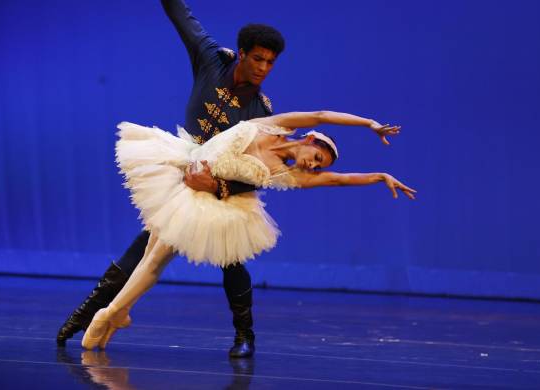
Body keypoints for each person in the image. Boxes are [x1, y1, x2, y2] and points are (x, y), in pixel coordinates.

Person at [58, 0, 288, 358]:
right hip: (182, 168)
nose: (263, 68)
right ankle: (86, 315)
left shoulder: (261, 111)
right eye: (258, 58)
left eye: (270, 62)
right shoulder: (211, 59)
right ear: (242, 53)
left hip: (219, 184)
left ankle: (245, 336)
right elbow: (181, 14)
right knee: (145, 244)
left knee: (231, 257)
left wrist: (219, 186)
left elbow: (259, 173)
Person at [81, 109, 416, 350]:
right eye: (316, 156)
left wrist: (379, 176)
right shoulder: (273, 125)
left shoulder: (286, 174)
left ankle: (107, 315)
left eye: (318, 166)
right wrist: (369, 124)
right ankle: (115, 313)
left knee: (155, 258)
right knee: (151, 256)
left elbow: (341, 180)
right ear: (309, 139)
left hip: (202, 200)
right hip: (181, 171)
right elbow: (323, 114)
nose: (312, 165)